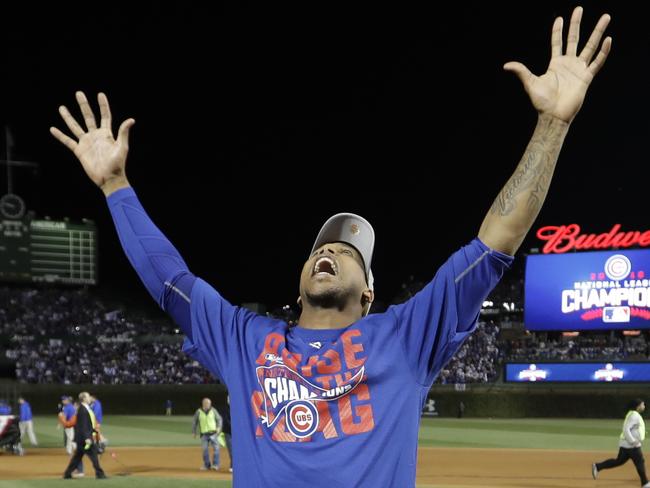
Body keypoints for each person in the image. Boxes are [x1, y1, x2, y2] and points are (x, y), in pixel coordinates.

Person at [51, 7, 612, 486]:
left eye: (349, 253)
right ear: (300, 279)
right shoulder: (247, 340)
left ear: (369, 290)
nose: (330, 252)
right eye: (322, 248)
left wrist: (552, 124)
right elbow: (168, 278)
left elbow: (498, 239)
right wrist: (113, 185)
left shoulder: (405, 336)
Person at [592, 399, 649, 487]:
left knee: (619, 461)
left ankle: (597, 466)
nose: (644, 406)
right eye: (642, 404)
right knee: (640, 462)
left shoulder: (634, 414)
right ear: (637, 406)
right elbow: (626, 429)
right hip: (631, 445)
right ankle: (645, 483)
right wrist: (633, 441)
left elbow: (633, 428)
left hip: (626, 445)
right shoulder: (634, 415)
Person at [62, 392, 107, 480]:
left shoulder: (86, 408)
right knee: (93, 455)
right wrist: (87, 438)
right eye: (88, 396)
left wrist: (95, 431)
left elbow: (88, 424)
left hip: (82, 438)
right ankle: (99, 474)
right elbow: (82, 425)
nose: (90, 398)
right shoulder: (82, 410)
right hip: (84, 439)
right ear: (84, 399)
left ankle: (67, 474)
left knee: (77, 458)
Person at [192, 398, 222, 471]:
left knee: (216, 449)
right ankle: (206, 465)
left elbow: (219, 419)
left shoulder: (213, 410)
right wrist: (194, 432)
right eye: (207, 403)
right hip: (204, 434)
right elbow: (194, 422)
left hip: (213, 433)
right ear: (203, 404)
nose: (208, 405)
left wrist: (218, 427)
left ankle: (215, 465)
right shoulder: (198, 412)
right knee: (205, 450)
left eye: (209, 403)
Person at [58, 398, 85, 478]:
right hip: (78, 433)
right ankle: (77, 469)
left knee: (77, 452)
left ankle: (80, 470)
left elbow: (68, 424)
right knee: (77, 452)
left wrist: (61, 417)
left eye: (75, 405)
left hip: (75, 433)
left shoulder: (77, 414)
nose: (74, 407)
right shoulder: (80, 413)